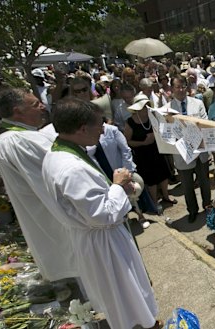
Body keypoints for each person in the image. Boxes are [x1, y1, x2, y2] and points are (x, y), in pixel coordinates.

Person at [41, 98, 159, 329]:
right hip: (104, 242)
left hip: (96, 239)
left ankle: (142, 321)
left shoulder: (60, 153)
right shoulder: (71, 167)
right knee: (125, 293)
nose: (104, 128)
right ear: (82, 128)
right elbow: (102, 215)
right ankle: (142, 324)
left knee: (126, 291)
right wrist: (117, 185)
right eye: (99, 124)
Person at [0, 88, 77, 282]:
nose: (42, 106)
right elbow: (59, 174)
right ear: (17, 112)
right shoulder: (19, 140)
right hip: (58, 219)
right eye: (34, 104)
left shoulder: (16, 138)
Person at [168, 76, 212, 223]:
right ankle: (192, 211)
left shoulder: (198, 103)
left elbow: (205, 123)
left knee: (205, 182)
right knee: (187, 186)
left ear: (187, 88)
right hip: (182, 153)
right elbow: (167, 133)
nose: (180, 90)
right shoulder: (167, 109)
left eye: (183, 86)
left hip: (200, 149)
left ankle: (207, 206)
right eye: (177, 87)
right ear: (172, 89)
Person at [124, 94, 172, 208]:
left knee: (163, 174)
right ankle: (154, 202)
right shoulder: (130, 122)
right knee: (151, 179)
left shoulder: (153, 117)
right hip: (142, 154)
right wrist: (143, 143)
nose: (146, 108)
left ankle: (166, 196)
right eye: (143, 106)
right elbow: (128, 141)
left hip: (157, 150)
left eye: (147, 105)